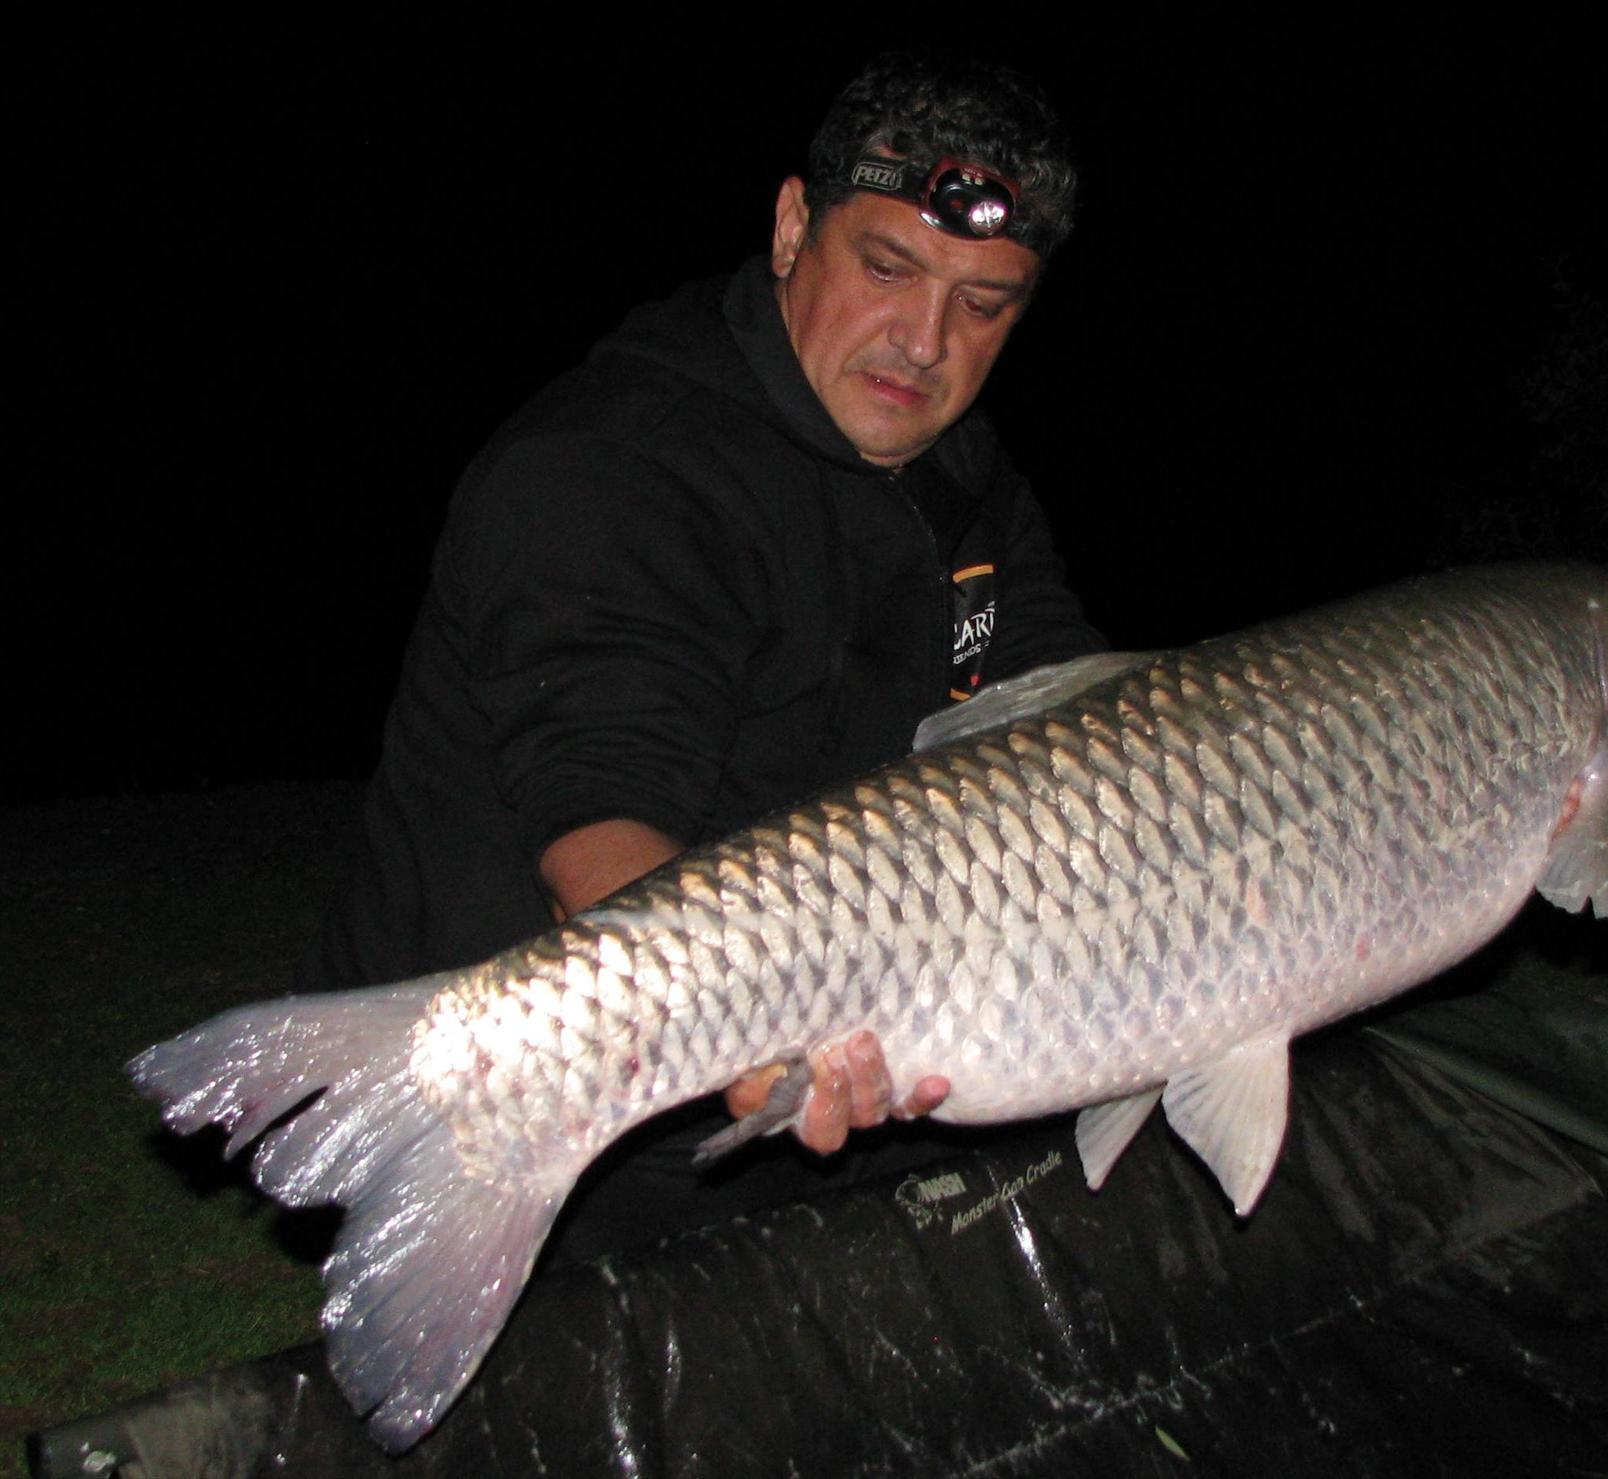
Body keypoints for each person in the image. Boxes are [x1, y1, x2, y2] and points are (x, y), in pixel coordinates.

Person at [303, 53, 1104, 1252]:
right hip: (551, 1113)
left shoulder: (969, 489)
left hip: (826, 1095)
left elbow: (1086, 738)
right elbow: (602, 829)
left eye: (983, 303)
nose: (926, 341)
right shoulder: (612, 467)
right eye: (887, 269)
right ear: (793, 228)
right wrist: (757, 1039)